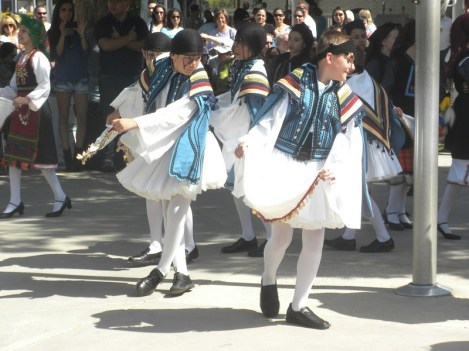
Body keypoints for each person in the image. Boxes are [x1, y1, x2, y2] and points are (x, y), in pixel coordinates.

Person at [233, 31, 365, 329]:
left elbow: (348, 140)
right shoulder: (295, 82)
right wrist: (249, 141)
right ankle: (269, 278)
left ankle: (299, 305)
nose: (352, 67)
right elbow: (270, 120)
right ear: (330, 57)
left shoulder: (345, 97)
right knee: (281, 238)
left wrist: (336, 167)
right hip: (287, 165)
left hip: (318, 171)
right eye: (349, 59)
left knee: (315, 236)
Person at [110, 29, 226, 297]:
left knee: (175, 209)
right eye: (187, 57)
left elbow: (174, 114)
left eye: (198, 57)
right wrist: (119, 110)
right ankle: (182, 274)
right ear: (172, 56)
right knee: (167, 205)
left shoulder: (200, 80)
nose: (193, 63)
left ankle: (160, 271)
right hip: (166, 146)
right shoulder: (162, 67)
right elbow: (140, 91)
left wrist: (135, 122)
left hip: (192, 149)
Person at [325, 45, 405, 253]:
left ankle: (383, 237)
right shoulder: (367, 78)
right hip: (374, 143)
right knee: (358, 189)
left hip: (361, 144)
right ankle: (349, 236)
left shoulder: (347, 85)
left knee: (360, 191)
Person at [209, 22, 272, 257]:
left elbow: (258, 113)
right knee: (237, 188)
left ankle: (272, 238)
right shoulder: (241, 65)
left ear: (254, 47)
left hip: (247, 139)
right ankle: (248, 236)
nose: (235, 47)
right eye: (236, 42)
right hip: (237, 136)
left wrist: (249, 140)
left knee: (252, 191)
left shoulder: (256, 72)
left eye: (241, 44)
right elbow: (235, 97)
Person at [0, 15, 71, 219]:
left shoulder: (39, 57)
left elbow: (45, 85)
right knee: (14, 157)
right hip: (20, 111)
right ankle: (15, 201)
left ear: (33, 35)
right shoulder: (22, 57)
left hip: (36, 111)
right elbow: (14, 87)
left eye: (24, 30)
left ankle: (60, 196)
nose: (19, 33)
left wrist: (27, 99)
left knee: (41, 158)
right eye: (20, 30)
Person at [95, 0, 148, 172]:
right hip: (109, 76)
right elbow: (105, 45)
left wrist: (120, 40)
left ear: (126, 4)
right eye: (110, 1)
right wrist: (129, 39)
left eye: (117, 2)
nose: (113, 4)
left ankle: (130, 156)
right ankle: (108, 157)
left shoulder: (138, 23)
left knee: (133, 114)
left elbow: (142, 46)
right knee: (110, 115)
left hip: (133, 76)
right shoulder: (103, 23)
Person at [437, 13, 469, 240]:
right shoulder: (463, 56)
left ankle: (441, 218)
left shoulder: (460, 55)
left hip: (463, 111)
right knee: (460, 169)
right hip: (465, 114)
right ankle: (440, 219)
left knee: (458, 173)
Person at [381, 20, 416, 231]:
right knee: (400, 171)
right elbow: (385, 89)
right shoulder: (397, 61)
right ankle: (392, 212)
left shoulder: (421, 59)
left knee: (409, 172)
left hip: (416, 120)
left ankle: (400, 210)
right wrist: (392, 110)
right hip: (400, 119)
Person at [48, 0, 89, 172]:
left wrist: (81, 34)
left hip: (80, 78)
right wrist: (63, 35)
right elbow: (57, 55)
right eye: (63, 10)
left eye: (70, 10)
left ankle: (78, 154)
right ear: (58, 12)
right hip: (63, 79)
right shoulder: (53, 32)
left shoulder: (80, 28)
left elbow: (86, 53)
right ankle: (66, 155)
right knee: (63, 117)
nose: (67, 13)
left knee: (82, 116)